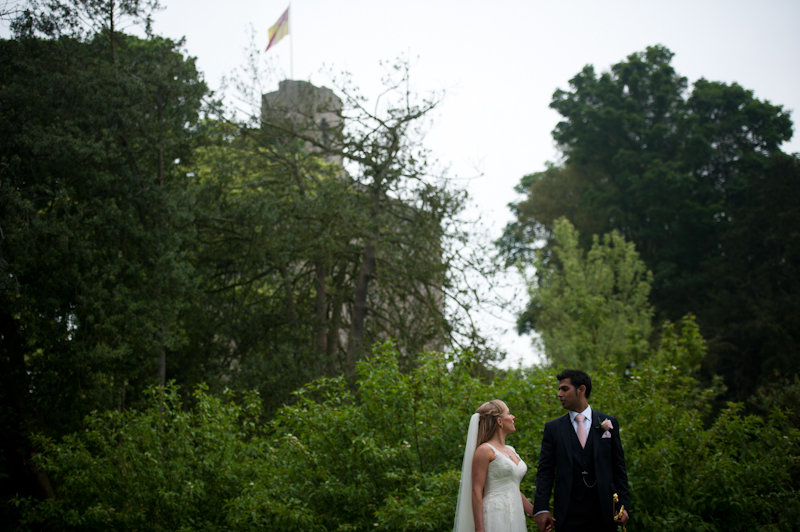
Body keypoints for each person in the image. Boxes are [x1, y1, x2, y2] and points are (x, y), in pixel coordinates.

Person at [533, 369, 630, 532]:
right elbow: (545, 471)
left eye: (564, 389)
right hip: (568, 512)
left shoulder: (608, 423)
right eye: (559, 389)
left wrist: (623, 506)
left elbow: (619, 468)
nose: (559, 394)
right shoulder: (553, 428)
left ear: (581, 390)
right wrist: (541, 509)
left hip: (604, 511)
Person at [453, 400, 535, 532]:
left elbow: (512, 487)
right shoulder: (484, 450)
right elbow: (476, 491)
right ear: (499, 421)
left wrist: (536, 513)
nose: (513, 417)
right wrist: (479, 528)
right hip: (495, 514)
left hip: (515, 514)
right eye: (509, 413)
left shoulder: (511, 449)